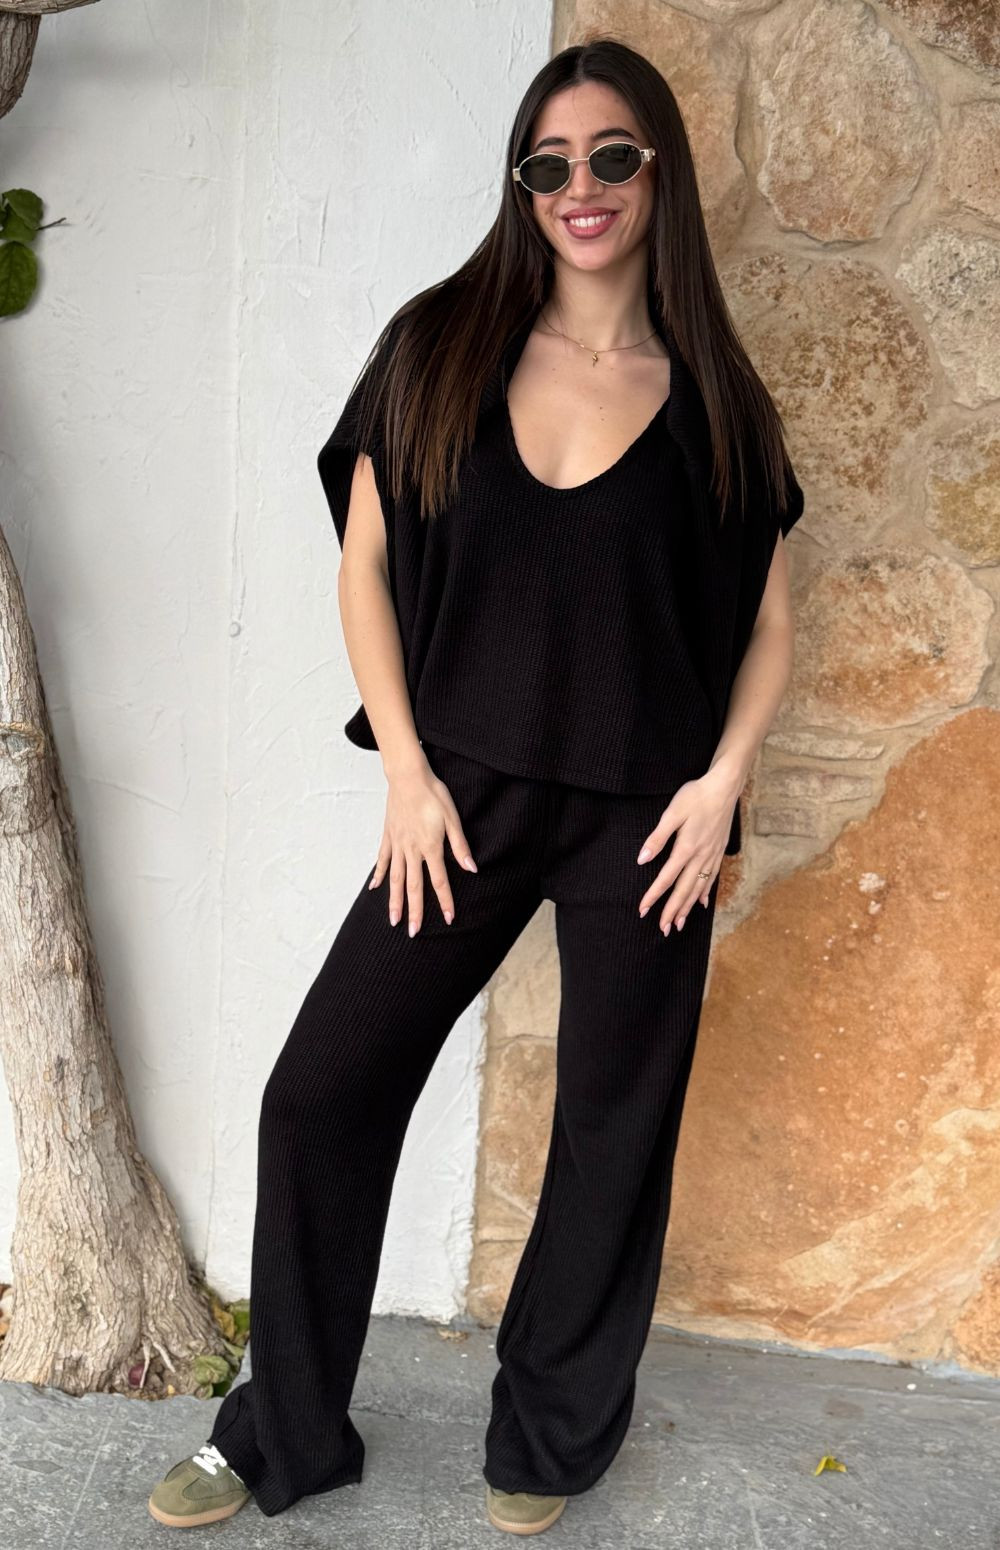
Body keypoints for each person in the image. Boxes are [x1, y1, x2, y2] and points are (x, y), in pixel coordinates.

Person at [147, 35, 803, 1536]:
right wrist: (405, 769)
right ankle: (282, 1430)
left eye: (612, 156)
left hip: (648, 819)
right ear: (522, 185)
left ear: (658, 173)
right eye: (550, 163)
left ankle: (548, 1438)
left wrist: (722, 783)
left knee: (613, 1129)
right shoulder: (440, 345)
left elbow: (768, 620)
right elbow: (365, 564)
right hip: (461, 802)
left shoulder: (715, 396)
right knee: (321, 1093)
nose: (583, 187)